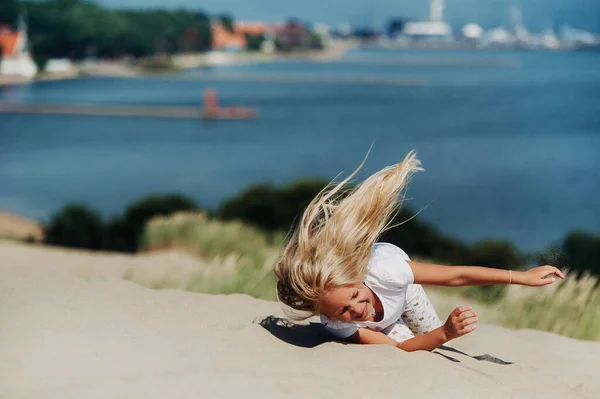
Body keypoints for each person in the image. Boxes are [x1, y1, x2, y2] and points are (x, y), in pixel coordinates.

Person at [274, 151, 565, 352]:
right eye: (343, 310)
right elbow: (400, 349)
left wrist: (521, 277)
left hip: (403, 292)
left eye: (353, 296)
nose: (357, 309)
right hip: (386, 323)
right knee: (420, 347)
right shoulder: (334, 323)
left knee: (442, 346)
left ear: (356, 277)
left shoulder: (388, 269)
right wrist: (445, 332)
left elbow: (456, 276)